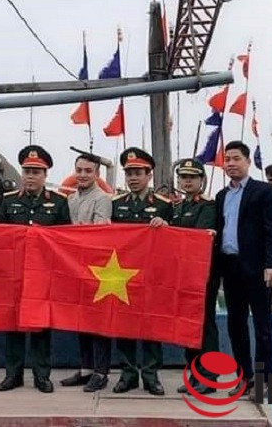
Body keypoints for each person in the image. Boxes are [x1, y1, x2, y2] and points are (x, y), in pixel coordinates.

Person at [0, 145, 71, 394]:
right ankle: (12, 375)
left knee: (41, 327)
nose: (30, 176)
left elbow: (65, 239)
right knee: (13, 326)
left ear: (45, 175)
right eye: (27, 171)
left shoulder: (58, 202)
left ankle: (41, 376)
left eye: (36, 172)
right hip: (15, 274)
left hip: (43, 275)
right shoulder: (8, 201)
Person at [215, 141, 272, 398]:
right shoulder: (221, 196)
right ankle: (244, 377)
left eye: (236, 159)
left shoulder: (263, 191)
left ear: (247, 161)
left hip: (257, 268)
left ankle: (264, 381)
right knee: (236, 324)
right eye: (227, 159)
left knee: (263, 325)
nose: (231, 163)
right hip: (230, 267)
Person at [110, 147, 173, 396]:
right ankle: (127, 375)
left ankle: (150, 375)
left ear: (149, 175)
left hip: (151, 275)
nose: (133, 178)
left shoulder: (164, 206)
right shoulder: (116, 204)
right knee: (124, 325)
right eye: (129, 173)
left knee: (150, 325)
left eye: (138, 173)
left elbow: (177, 240)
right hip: (122, 275)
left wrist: (166, 226)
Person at [60, 152, 113, 393]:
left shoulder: (102, 199)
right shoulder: (71, 199)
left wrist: (77, 233)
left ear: (97, 174)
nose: (82, 175)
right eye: (79, 170)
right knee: (80, 319)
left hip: (96, 268)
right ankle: (86, 368)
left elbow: (99, 233)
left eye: (88, 171)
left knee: (98, 322)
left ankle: (101, 372)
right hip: (75, 266)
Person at [170, 158, 219, 396]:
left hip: (203, 274)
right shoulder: (178, 206)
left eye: (192, 177)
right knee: (187, 323)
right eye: (183, 177)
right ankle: (195, 372)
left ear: (202, 180)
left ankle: (209, 376)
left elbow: (197, 237)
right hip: (183, 274)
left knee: (204, 324)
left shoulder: (207, 206)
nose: (187, 181)